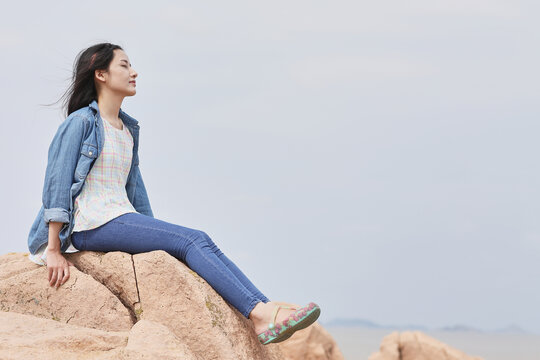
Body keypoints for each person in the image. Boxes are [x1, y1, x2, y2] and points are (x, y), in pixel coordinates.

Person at [27, 42, 320, 345]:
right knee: (191, 239)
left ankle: (266, 308)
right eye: (125, 65)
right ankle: (260, 313)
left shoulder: (127, 130)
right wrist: (52, 249)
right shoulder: (80, 123)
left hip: (119, 217)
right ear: (100, 73)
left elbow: (135, 193)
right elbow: (56, 184)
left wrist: (156, 235)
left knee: (197, 239)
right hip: (92, 224)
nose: (134, 72)